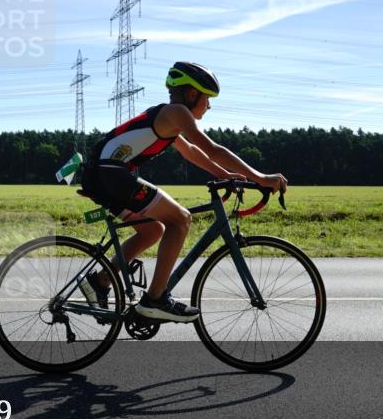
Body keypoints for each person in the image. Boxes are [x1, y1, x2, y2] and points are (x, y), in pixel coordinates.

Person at [79, 62, 287, 322]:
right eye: (207, 99)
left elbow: (191, 151)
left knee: (153, 229)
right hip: (113, 173)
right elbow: (212, 149)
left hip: (106, 174)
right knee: (180, 219)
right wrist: (260, 178)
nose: (209, 106)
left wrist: (224, 174)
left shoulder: (168, 117)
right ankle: (155, 300)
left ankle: (100, 282)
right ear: (192, 94)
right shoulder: (176, 112)